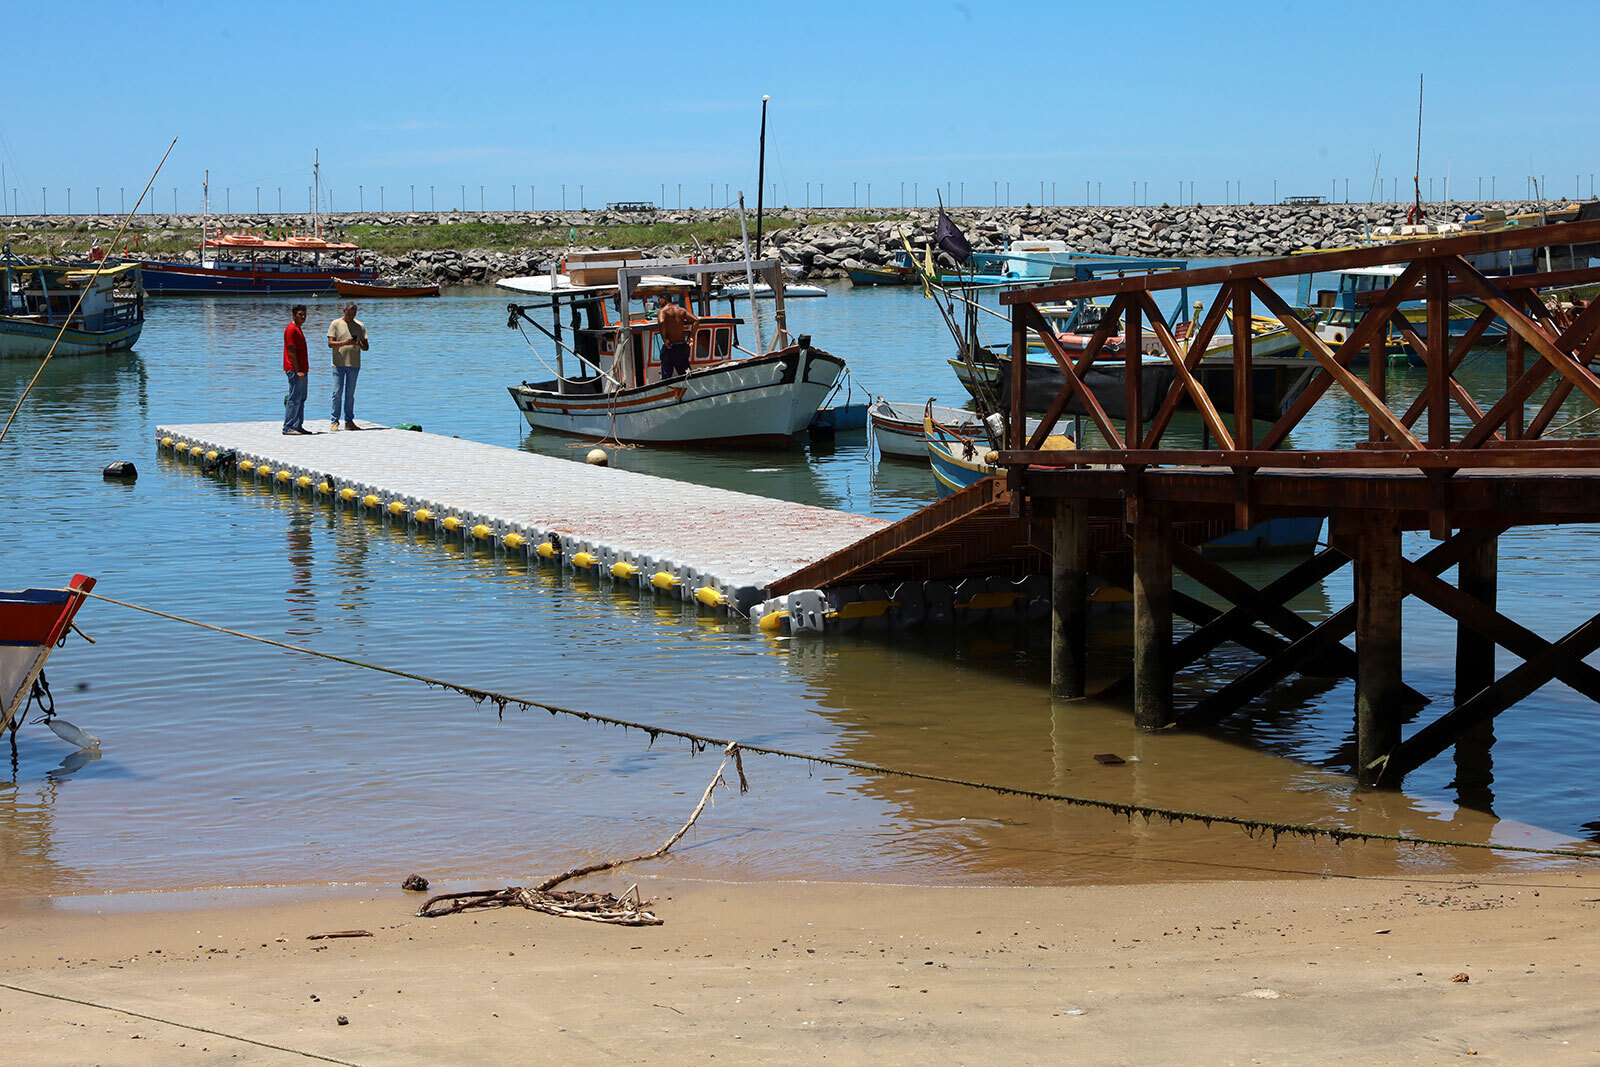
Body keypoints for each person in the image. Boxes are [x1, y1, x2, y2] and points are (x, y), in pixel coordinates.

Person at [327, 302, 369, 430]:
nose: (351, 316)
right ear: (343, 311)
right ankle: (334, 421)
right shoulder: (335, 324)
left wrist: (358, 345)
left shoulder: (360, 326)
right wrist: (345, 342)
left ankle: (349, 421)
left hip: (354, 364)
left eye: (353, 314)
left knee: (350, 394)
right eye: (348, 314)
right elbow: (330, 343)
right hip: (338, 364)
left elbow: (366, 347)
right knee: (337, 392)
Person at [282, 304, 311, 435]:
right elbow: (291, 351)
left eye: (304, 314)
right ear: (294, 315)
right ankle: (288, 427)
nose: (303, 317)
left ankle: (298, 425)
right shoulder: (291, 329)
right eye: (300, 315)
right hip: (294, 369)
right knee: (294, 398)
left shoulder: (298, 329)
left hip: (303, 369)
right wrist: (298, 370)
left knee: (302, 398)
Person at [656, 295, 696, 380]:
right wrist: (691, 336)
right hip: (682, 346)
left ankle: (666, 391)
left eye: (659, 299)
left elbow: (661, 321)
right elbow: (696, 321)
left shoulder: (662, 311)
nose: (658, 302)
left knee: (666, 376)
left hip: (670, 347)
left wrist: (664, 339)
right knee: (686, 375)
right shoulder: (681, 310)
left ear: (665, 299)